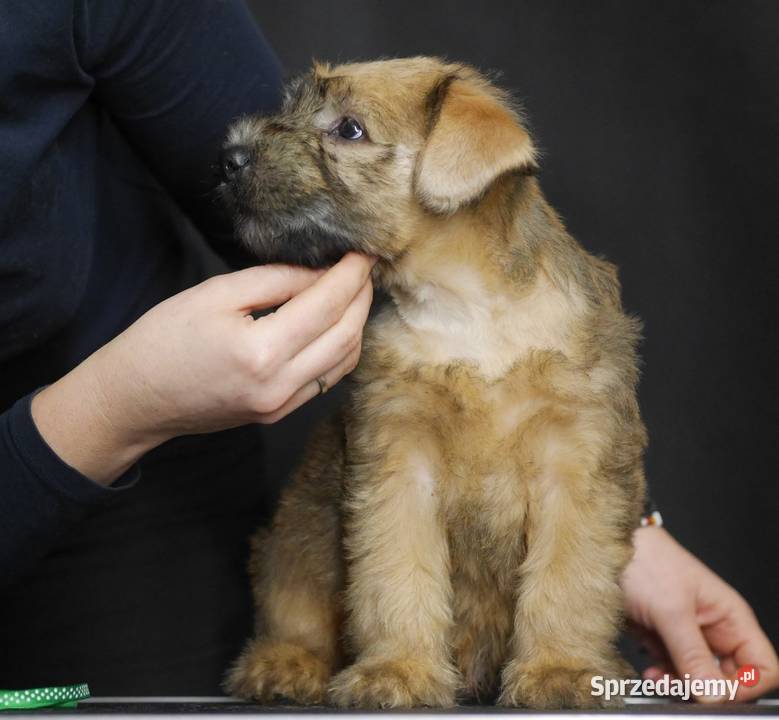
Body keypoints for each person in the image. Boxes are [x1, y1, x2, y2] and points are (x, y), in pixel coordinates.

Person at [0, 0, 775, 701]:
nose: (246, 151)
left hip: (118, 539)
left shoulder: (558, 314)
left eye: (344, 130)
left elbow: (582, 471)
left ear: (461, 161)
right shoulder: (398, 343)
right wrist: (111, 406)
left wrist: (626, 531)